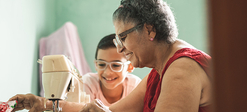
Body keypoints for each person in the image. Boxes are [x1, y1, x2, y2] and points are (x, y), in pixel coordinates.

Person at [80, 0, 212, 112]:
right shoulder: (158, 71)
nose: (119, 49)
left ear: (150, 30)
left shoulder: (182, 69)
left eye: (123, 38)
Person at [8, 34, 141, 111]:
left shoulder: (135, 86)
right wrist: (45, 103)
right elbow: (82, 108)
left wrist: (47, 104)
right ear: (95, 64)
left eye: (116, 65)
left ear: (130, 67)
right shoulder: (89, 81)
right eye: (101, 64)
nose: (108, 72)